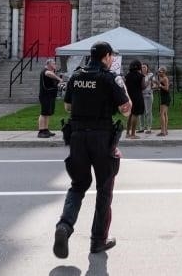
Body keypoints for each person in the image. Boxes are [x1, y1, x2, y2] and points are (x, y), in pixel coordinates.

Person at [53, 41, 131, 259]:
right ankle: (98, 241)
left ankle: (65, 226)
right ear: (106, 57)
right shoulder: (110, 78)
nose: (112, 60)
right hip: (101, 138)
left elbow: (68, 106)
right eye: (111, 56)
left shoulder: (76, 77)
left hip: (77, 136)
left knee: (78, 185)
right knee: (104, 189)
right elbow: (125, 110)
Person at [38, 59, 63, 138]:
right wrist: (59, 78)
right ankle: (41, 131)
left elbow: (53, 84)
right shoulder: (45, 71)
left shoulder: (52, 73)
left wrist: (59, 83)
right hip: (45, 95)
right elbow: (48, 73)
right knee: (43, 113)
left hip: (51, 95)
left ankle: (46, 129)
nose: (55, 64)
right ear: (48, 64)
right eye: (53, 63)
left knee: (48, 113)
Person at [124, 60, 145, 139]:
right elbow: (143, 87)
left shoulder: (127, 76)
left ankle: (127, 133)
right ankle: (133, 134)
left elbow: (125, 85)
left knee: (130, 114)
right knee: (135, 114)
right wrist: (147, 81)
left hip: (129, 97)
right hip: (137, 97)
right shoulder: (140, 76)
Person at [138, 63, 156, 133]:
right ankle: (141, 127)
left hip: (148, 95)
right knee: (141, 112)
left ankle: (149, 127)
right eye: (142, 67)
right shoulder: (139, 75)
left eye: (144, 67)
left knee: (148, 112)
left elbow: (154, 84)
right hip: (141, 95)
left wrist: (153, 85)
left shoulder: (150, 75)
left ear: (147, 68)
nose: (143, 69)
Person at [157, 66, 171, 136]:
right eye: (158, 71)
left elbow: (167, 88)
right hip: (165, 97)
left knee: (161, 113)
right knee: (165, 114)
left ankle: (163, 131)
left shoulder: (165, 78)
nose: (158, 73)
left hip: (165, 97)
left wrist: (160, 85)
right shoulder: (162, 78)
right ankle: (165, 130)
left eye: (160, 72)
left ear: (164, 72)